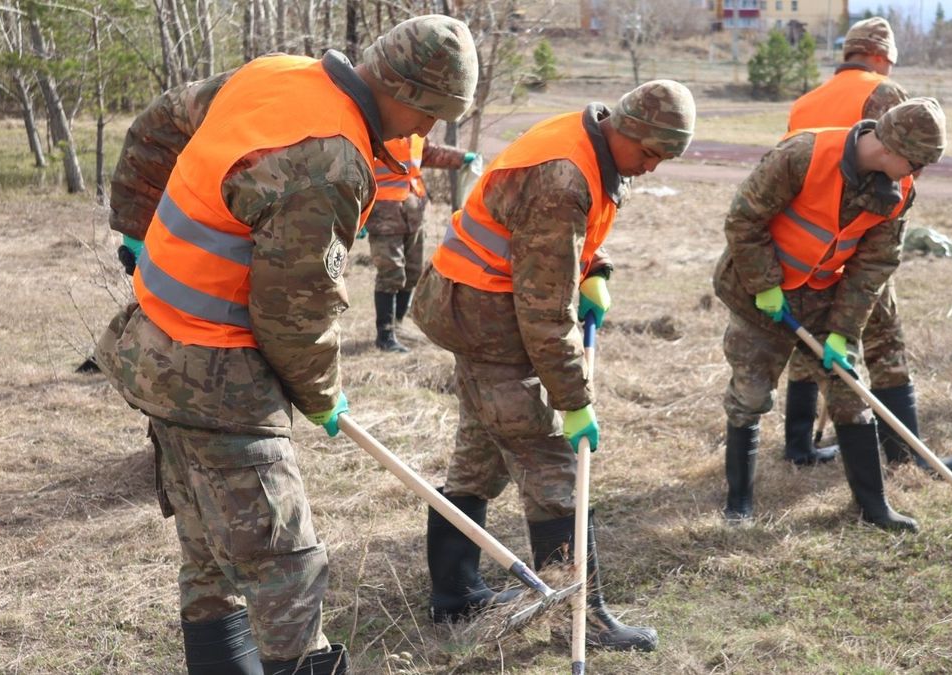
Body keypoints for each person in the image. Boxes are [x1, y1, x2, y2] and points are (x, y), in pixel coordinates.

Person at [93, 16, 478, 673]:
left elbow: (159, 120)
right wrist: (323, 395)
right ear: (409, 95)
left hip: (151, 344)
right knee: (287, 566)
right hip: (216, 374)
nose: (425, 134)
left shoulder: (275, 74)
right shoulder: (329, 162)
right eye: (431, 116)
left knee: (210, 553)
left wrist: (135, 223)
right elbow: (293, 315)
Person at [410, 80, 695, 652]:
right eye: (651, 155)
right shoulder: (563, 176)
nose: (653, 169)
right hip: (487, 314)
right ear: (628, 129)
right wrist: (573, 399)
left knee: (479, 450)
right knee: (551, 462)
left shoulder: (589, 142)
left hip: (477, 302)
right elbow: (544, 316)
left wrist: (595, 270)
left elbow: (563, 243)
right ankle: (577, 618)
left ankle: (454, 592)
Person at [716, 98, 947, 530]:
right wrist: (765, 284)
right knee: (749, 395)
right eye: (916, 163)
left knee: (849, 393)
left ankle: (873, 508)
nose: (917, 174)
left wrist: (844, 331)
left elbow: (873, 266)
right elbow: (743, 221)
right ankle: (739, 501)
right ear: (891, 149)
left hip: (823, 295)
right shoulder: (802, 156)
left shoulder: (898, 192)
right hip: (757, 292)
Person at [784, 16, 952, 473]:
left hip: (810, 246)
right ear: (883, 57)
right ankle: (905, 452)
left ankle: (798, 444)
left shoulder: (806, 102)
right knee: (886, 341)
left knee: (809, 340)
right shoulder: (885, 94)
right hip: (862, 236)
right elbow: (908, 166)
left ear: (848, 52)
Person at [366, 135, 479, 352]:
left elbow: (428, 153)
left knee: (413, 271)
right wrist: (358, 210)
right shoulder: (379, 130)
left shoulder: (416, 132)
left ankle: (399, 325)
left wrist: (462, 158)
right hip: (383, 214)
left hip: (413, 212)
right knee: (391, 273)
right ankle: (385, 335)